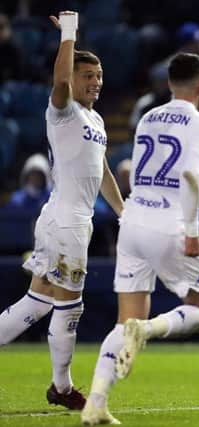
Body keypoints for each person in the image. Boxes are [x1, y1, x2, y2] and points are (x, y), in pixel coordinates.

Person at [81, 53, 199, 425]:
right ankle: (146, 329)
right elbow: (190, 177)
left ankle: (95, 402)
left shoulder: (147, 117)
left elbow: (156, 165)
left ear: (169, 84)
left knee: (121, 319)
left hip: (133, 219)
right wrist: (192, 234)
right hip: (170, 223)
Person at [0, 11, 124, 410]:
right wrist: (69, 33)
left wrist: (123, 212)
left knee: (37, 302)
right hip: (65, 220)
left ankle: (61, 386)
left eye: (100, 76)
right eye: (88, 76)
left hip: (72, 221)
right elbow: (59, 82)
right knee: (72, 305)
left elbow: (101, 169)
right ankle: (63, 387)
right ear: (74, 78)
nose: (96, 83)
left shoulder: (97, 119)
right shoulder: (63, 110)